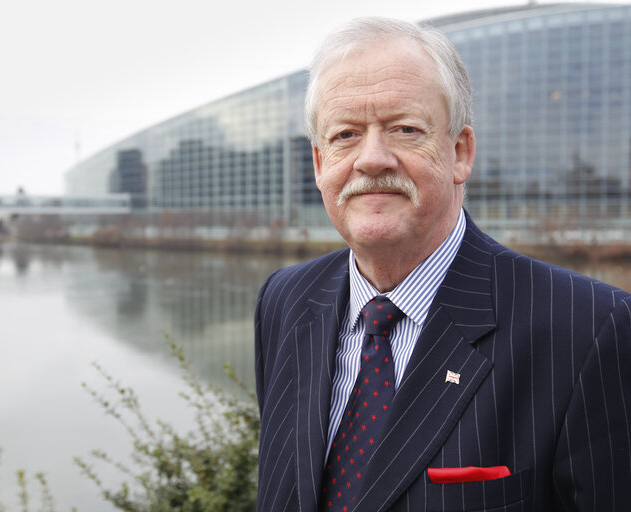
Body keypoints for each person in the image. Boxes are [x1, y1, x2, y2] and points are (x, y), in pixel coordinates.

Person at [254, 16, 631, 512]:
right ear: (320, 164)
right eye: (345, 134)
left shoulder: (589, 328)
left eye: (405, 129)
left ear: (459, 153)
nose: (372, 159)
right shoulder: (283, 299)